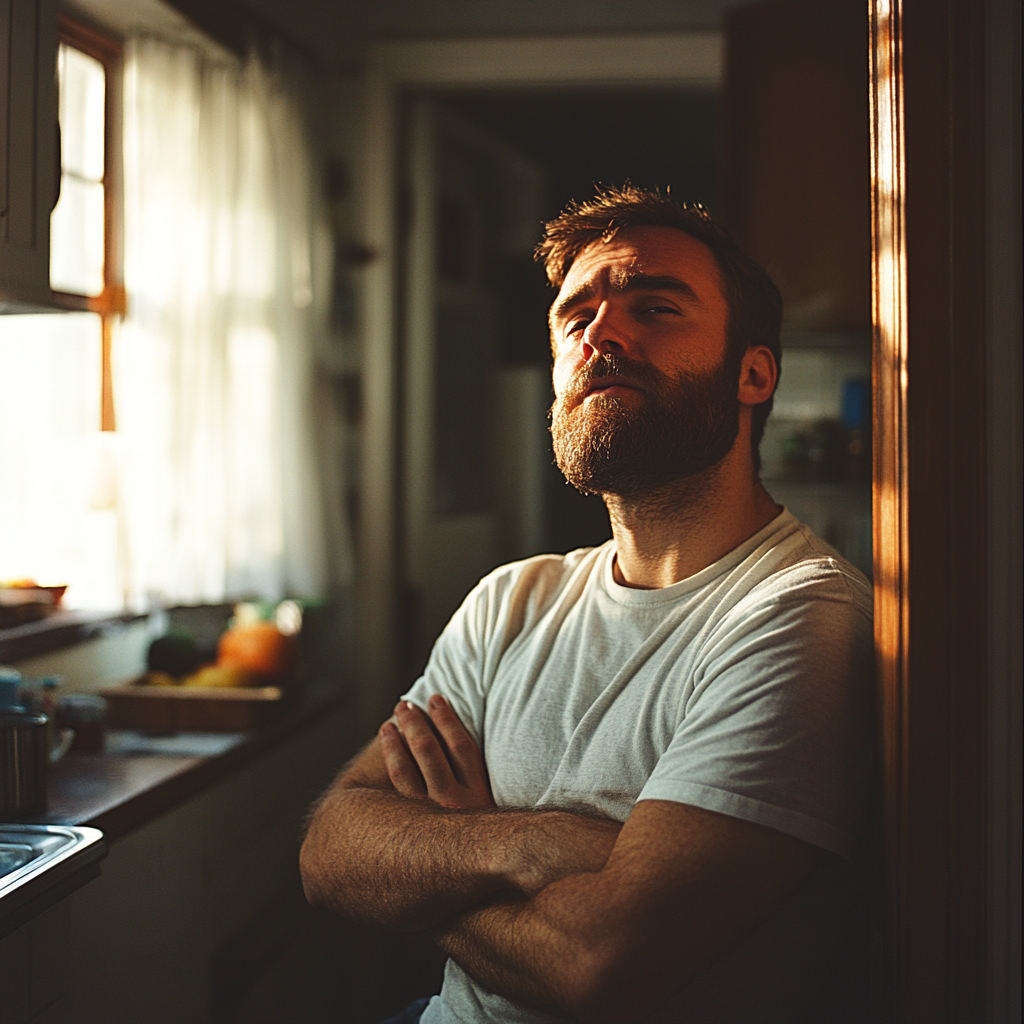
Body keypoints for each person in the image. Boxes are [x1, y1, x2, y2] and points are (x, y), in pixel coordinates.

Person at [300, 186, 874, 1024]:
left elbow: (595, 969)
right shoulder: (511, 601)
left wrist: (433, 866)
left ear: (753, 372)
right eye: (575, 317)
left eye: (656, 307)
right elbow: (329, 852)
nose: (600, 334)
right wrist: (535, 843)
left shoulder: (797, 619)